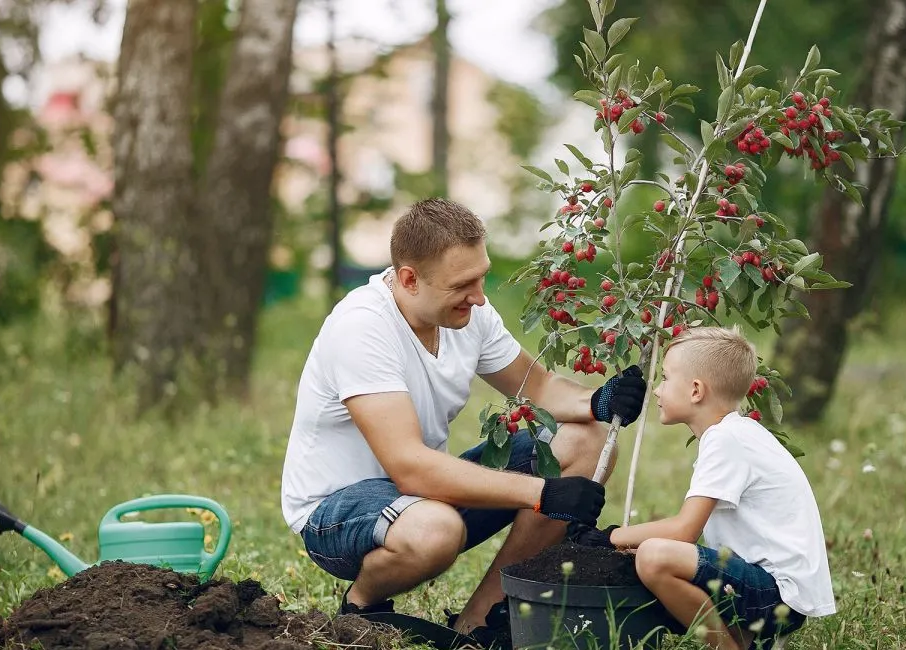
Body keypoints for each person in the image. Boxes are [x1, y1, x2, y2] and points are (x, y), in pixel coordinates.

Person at [280, 198, 648, 646]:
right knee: (436, 530)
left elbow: (540, 387)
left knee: (583, 440)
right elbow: (410, 467)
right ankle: (363, 606)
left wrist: (601, 399)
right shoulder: (361, 328)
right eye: (463, 284)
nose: (479, 296)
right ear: (409, 279)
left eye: (482, 276)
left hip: (420, 498)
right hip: (336, 515)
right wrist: (543, 492)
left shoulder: (468, 314)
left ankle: (481, 624)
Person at [567, 326, 836, 650]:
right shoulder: (733, 433)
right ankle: (744, 637)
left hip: (777, 595)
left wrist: (607, 537)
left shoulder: (726, 439)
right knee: (647, 552)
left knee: (653, 557)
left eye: (665, 378)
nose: (657, 390)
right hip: (768, 590)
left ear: (696, 390)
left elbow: (684, 531)